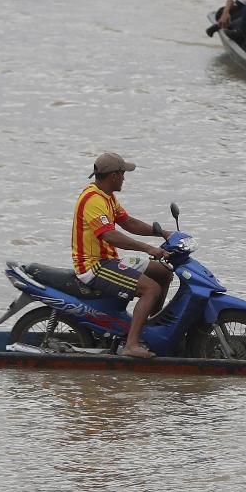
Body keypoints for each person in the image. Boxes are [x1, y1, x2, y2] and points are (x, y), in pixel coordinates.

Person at [72, 152, 173, 358]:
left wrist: (161, 232)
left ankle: (152, 329)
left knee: (163, 272)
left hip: (110, 260)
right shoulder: (93, 200)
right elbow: (111, 235)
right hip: (95, 266)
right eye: (123, 173)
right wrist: (148, 248)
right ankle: (132, 344)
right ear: (113, 176)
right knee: (150, 288)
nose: (125, 178)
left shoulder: (107, 197)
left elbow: (128, 222)